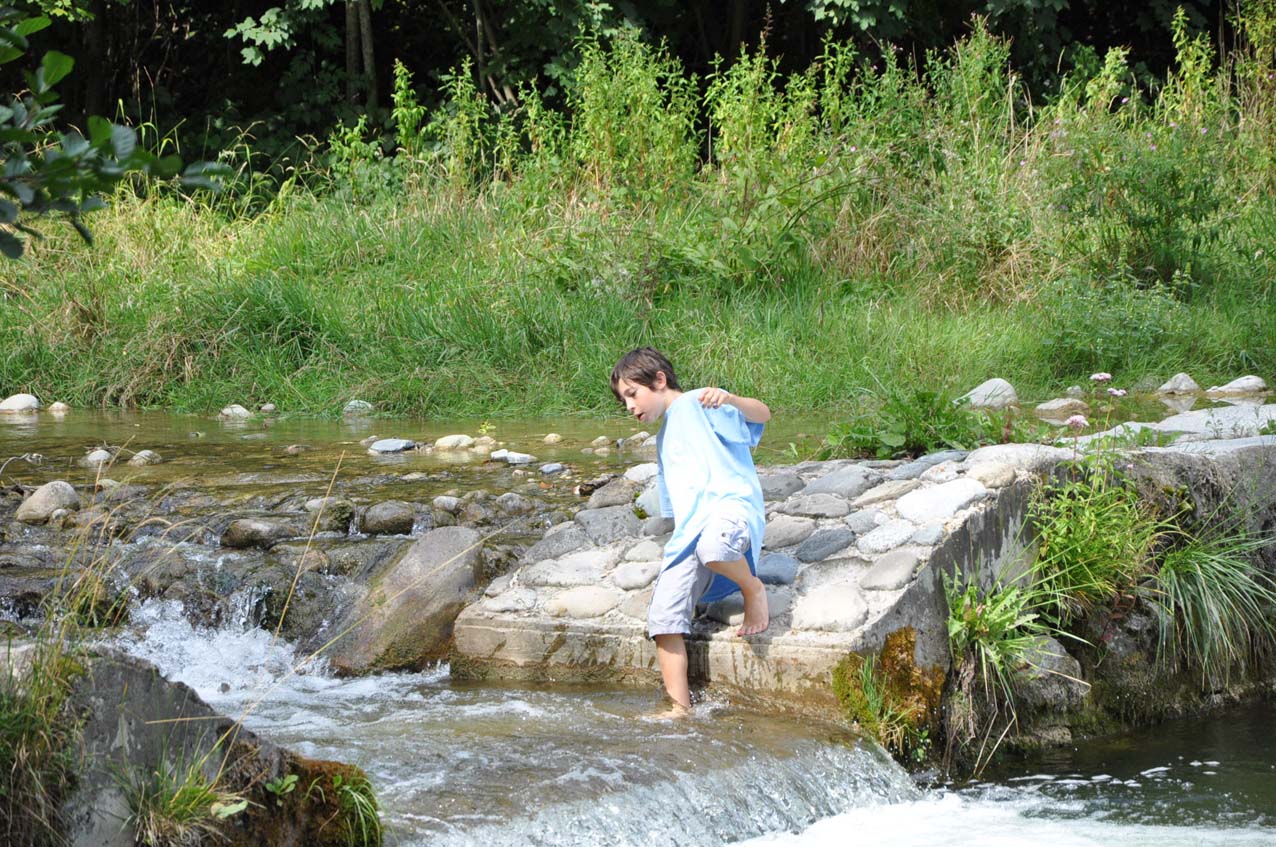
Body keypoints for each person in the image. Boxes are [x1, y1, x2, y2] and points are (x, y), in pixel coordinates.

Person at [610, 347, 771, 716]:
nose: (630, 407)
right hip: (691, 532)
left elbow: (763, 414)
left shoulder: (702, 402)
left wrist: (731, 399)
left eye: (633, 394)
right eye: (624, 401)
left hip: (729, 511)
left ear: (659, 380)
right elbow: (677, 509)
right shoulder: (663, 438)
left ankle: (753, 588)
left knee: (714, 547)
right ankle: (680, 710)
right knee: (663, 619)